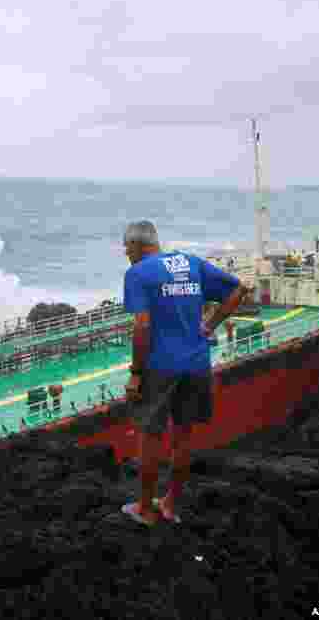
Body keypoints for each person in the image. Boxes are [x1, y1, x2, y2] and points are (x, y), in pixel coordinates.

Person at [120, 220, 249, 526]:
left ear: (138, 245)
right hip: (196, 364)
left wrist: (136, 373)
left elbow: (142, 325)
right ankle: (170, 504)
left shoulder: (138, 273)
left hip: (159, 367)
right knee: (183, 437)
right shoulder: (190, 263)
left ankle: (145, 509)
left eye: (126, 247)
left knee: (150, 437)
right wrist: (209, 325)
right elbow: (239, 288)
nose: (126, 254)